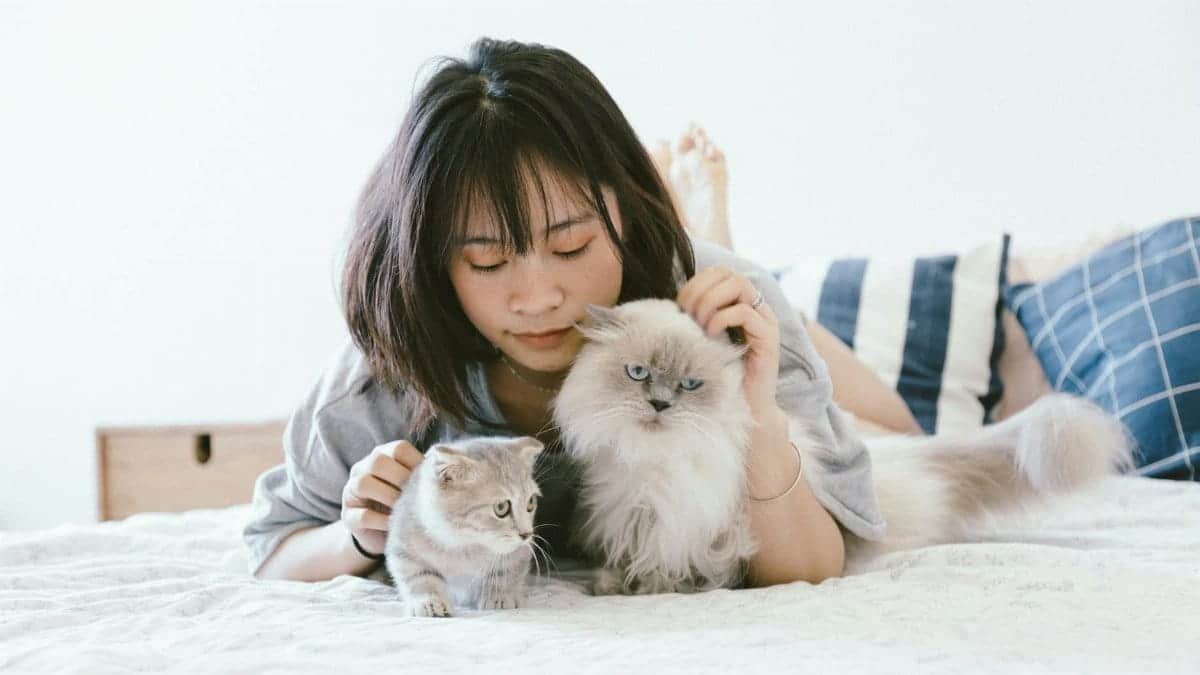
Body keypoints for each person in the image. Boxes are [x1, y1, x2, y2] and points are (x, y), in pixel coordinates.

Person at [244, 37, 905, 587]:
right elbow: (275, 552)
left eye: (571, 244)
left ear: (625, 204)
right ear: (432, 263)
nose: (537, 298)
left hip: (682, 295)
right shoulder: (384, 372)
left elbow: (815, 567)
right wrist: (356, 534)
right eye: (486, 260)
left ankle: (703, 232)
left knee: (898, 432)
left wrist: (757, 415)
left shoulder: (730, 313)